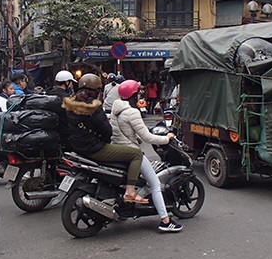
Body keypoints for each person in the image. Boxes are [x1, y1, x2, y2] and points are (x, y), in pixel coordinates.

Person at [111, 79, 183, 233]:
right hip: (131, 152)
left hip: (118, 148)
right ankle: (165, 220)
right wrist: (166, 138)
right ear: (133, 95)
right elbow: (147, 138)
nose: (140, 95)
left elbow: (127, 132)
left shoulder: (115, 109)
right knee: (155, 184)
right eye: (138, 93)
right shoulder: (132, 112)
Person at [62, 73, 147, 203]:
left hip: (78, 147)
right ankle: (130, 191)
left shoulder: (71, 105)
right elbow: (107, 132)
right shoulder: (94, 108)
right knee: (136, 154)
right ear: (96, 90)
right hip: (95, 148)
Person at [46, 70, 76, 150]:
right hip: (65, 134)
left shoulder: (48, 94)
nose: (72, 85)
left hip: (50, 132)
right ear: (67, 82)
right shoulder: (67, 98)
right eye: (71, 82)